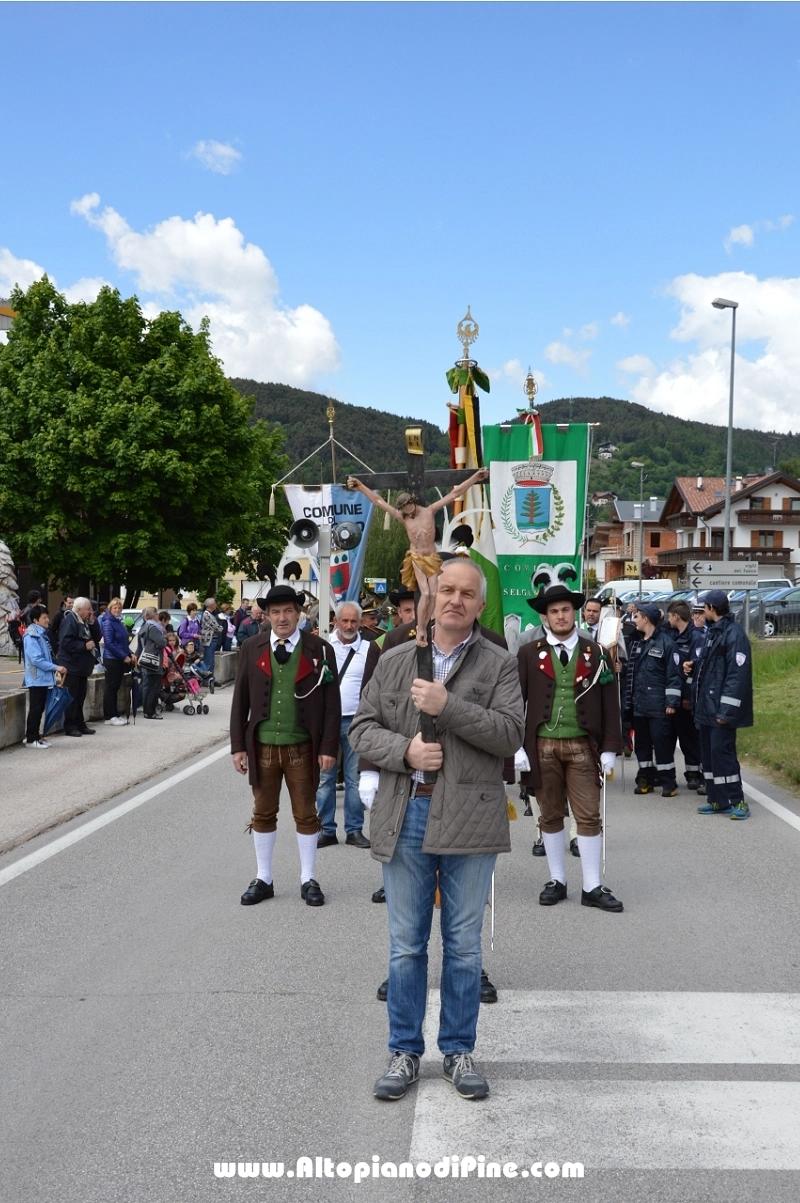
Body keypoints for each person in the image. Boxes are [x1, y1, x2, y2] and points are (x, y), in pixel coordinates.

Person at [349, 558, 524, 1102]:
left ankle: (457, 1051)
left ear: (480, 604)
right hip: (406, 814)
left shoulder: (500, 663)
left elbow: (510, 734)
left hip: (471, 815)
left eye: (467, 593)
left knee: (464, 946)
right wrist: (404, 751)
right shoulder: (396, 659)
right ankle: (404, 1051)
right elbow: (362, 729)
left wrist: (449, 707)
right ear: (431, 597)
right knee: (406, 946)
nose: (455, 600)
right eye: (446, 589)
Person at [230, 584, 341, 908]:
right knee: (263, 812)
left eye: (288, 611)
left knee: (306, 813)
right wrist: (238, 746)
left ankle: (308, 878)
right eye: (275, 612)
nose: (282, 618)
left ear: (299, 614)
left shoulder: (320, 649)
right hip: (262, 746)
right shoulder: (251, 647)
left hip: (302, 747)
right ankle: (263, 877)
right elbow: (240, 699)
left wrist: (328, 747)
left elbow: (332, 705)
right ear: (267, 615)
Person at [517, 583, 624, 912]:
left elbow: (611, 703)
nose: (560, 616)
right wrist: (516, 747)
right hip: (542, 746)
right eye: (554, 611)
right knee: (549, 814)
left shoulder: (597, 652)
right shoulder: (528, 653)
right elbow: (514, 701)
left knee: (588, 815)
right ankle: (557, 880)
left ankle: (591, 885)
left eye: (565, 610)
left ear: (574, 613)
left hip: (582, 746)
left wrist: (610, 748)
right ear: (545, 617)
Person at [347, 467, 489, 645]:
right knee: (426, 593)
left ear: (413, 502)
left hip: (432, 557)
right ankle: (421, 629)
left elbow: (455, 493)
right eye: (404, 509)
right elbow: (378, 501)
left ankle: (430, 624)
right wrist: (360, 486)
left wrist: (476, 477)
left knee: (434, 593)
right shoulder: (404, 518)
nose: (407, 510)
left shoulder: (429, 511)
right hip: (416, 558)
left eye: (408, 506)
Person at [692, 589, 753, 820]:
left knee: (723, 753)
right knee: (709, 755)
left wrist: (726, 710)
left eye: (704, 607)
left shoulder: (733, 633)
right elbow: (711, 668)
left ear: (712, 608)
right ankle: (717, 800)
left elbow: (737, 675)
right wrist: (693, 665)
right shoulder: (713, 631)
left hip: (720, 710)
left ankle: (738, 801)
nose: (701, 612)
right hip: (707, 708)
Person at [316, 601, 372, 849]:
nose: (349, 626)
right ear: (335, 622)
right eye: (345, 621)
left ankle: (354, 830)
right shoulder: (322, 647)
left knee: (355, 779)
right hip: (326, 720)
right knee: (325, 779)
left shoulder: (369, 650)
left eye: (354, 621)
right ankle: (326, 829)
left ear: (360, 623)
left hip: (356, 721)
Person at [625, 602, 682, 796]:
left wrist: (671, 702)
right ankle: (645, 779)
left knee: (661, 743)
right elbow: (631, 672)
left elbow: (674, 676)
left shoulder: (667, 644)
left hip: (658, 705)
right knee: (642, 744)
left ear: (646, 619)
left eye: (637, 617)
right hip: (639, 704)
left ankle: (668, 782)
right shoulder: (636, 643)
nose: (635, 621)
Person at [665, 600, 703, 789]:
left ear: (676, 616)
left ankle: (694, 774)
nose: (668, 619)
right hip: (672, 698)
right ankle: (666, 776)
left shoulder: (696, 637)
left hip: (686, 699)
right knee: (668, 738)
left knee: (689, 739)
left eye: (669, 616)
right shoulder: (671, 635)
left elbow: (695, 672)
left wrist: (688, 697)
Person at [22, 605, 67, 748]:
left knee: (39, 708)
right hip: (36, 678)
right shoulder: (32, 636)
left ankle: (35, 736)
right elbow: (36, 659)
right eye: (44, 618)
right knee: (36, 709)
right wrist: (55, 667)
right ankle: (31, 739)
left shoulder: (41, 634)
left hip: (42, 678)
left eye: (47, 617)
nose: (48, 620)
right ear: (36, 620)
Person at [57, 597, 100, 737]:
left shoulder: (85, 622)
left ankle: (80, 723)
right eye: (88, 609)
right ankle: (70, 726)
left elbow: (97, 638)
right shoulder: (70, 620)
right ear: (79, 609)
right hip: (71, 666)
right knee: (72, 698)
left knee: (80, 697)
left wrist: (92, 623)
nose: (90, 612)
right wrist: (83, 646)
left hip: (81, 667)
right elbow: (65, 642)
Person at [100, 597, 134, 726]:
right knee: (111, 688)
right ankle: (110, 716)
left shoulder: (118, 622)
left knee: (115, 688)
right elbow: (109, 643)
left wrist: (130, 653)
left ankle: (115, 714)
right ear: (110, 609)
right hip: (112, 659)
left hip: (119, 658)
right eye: (115, 608)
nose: (117, 610)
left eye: (119, 608)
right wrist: (123, 656)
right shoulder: (108, 622)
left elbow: (123, 642)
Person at [139, 607, 167, 720]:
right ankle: (150, 712)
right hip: (153, 660)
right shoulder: (153, 628)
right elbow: (162, 642)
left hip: (147, 659)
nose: (158, 615)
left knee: (148, 686)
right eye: (157, 613)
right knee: (154, 686)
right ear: (153, 615)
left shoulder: (146, 626)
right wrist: (163, 640)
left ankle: (147, 711)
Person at [199, 598, 225, 674]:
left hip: (212, 640)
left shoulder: (210, 614)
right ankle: (207, 678)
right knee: (208, 661)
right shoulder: (207, 615)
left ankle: (211, 677)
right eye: (215, 603)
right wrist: (221, 627)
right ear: (211, 605)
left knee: (212, 661)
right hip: (209, 640)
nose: (216, 605)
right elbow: (217, 627)